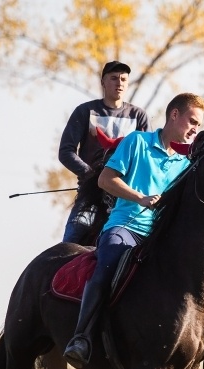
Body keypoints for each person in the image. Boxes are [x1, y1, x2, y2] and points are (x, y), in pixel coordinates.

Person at [62, 92, 204, 369]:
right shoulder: (136, 142)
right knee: (106, 266)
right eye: (192, 121)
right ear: (174, 115)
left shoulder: (183, 163)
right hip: (124, 228)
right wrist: (140, 197)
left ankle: (194, 360)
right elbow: (105, 180)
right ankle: (82, 337)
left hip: (160, 240)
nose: (194, 128)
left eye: (199, 124)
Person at [59, 61, 151, 244]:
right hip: (90, 197)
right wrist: (91, 175)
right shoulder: (85, 111)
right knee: (71, 243)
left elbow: (146, 158)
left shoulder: (138, 116)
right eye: (114, 78)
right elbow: (66, 151)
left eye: (124, 79)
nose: (120, 83)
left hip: (125, 199)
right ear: (103, 82)